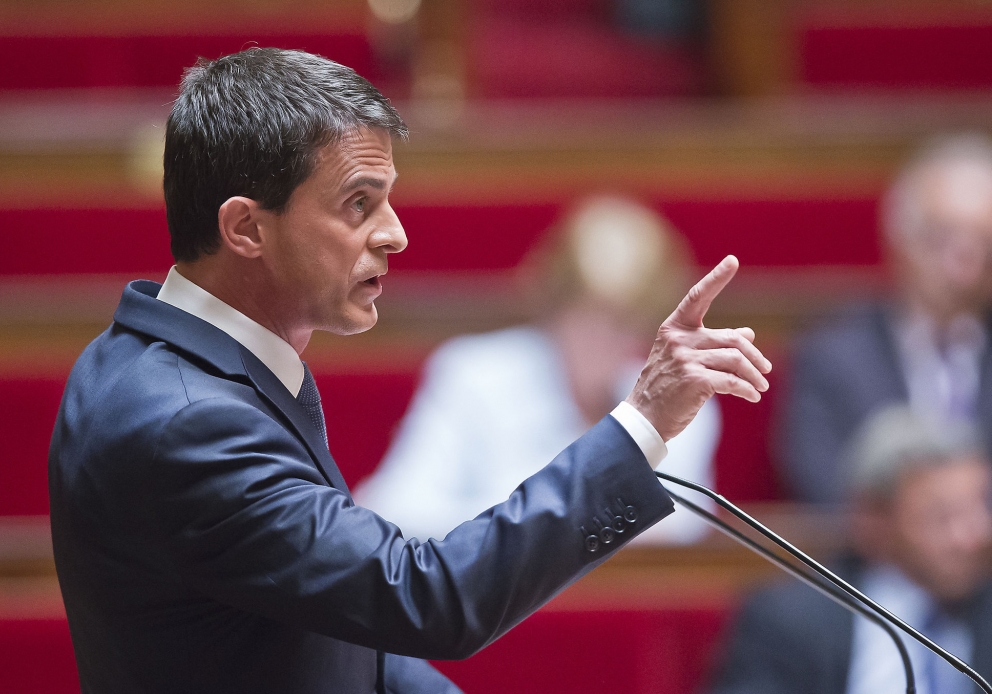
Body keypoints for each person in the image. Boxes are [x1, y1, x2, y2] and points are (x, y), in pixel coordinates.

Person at [48, 48, 771, 694]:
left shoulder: (166, 359)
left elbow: (316, 626)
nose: (395, 232)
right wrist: (641, 423)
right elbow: (425, 596)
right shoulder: (187, 421)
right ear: (246, 229)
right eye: (358, 204)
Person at [355, 195, 720, 543]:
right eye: (589, 320)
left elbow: (686, 528)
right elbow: (393, 510)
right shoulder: (472, 377)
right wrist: (540, 516)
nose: (607, 344)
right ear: (555, 310)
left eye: (627, 324)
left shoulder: (675, 402)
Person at [710, 406, 992, 694]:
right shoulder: (788, 619)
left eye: (979, 510)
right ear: (872, 519)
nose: (971, 536)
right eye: (941, 517)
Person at [781, 133, 992, 504]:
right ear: (898, 238)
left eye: (983, 243)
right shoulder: (833, 356)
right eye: (942, 238)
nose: (965, 264)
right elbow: (820, 487)